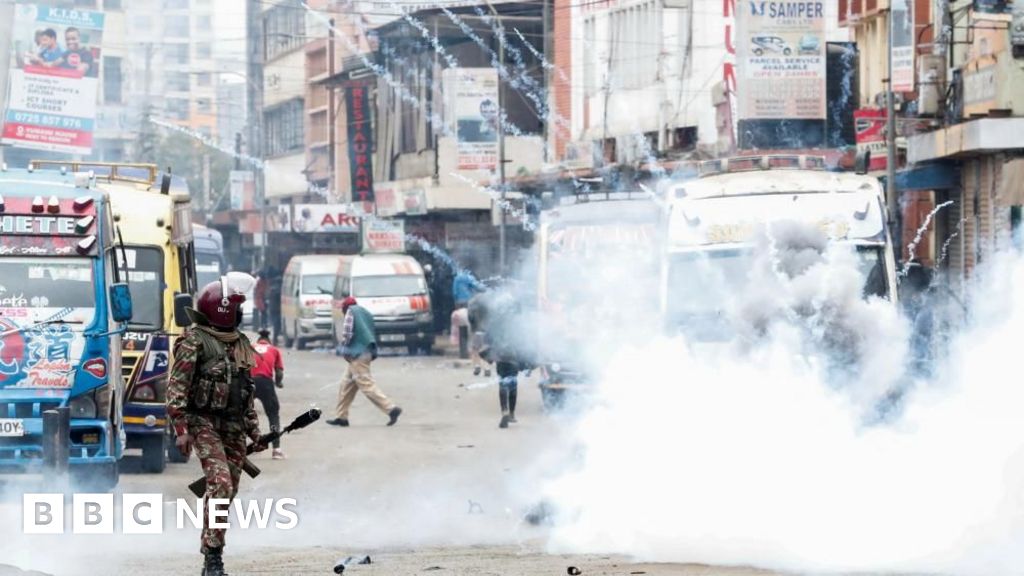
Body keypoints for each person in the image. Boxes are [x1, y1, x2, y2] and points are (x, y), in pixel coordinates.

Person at [166, 273, 265, 576]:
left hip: (233, 426)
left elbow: (246, 393)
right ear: (222, 309)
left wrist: (255, 432)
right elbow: (177, 390)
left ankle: (213, 544)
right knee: (220, 485)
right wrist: (181, 431)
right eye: (236, 307)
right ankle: (212, 557)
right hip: (203, 422)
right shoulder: (194, 342)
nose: (240, 313)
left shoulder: (241, 344)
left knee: (227, 490)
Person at [326, 296, 402, 427]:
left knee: (366, 385)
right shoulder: (365, 312)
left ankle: (391, 409)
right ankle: (341, 417)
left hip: (357, 355)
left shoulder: (350, 311)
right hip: (366, 351)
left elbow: (347, 333)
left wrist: (344, 347)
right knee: (346, 385)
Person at [251, 328, 285, 460]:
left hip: (250, 382)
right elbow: (280, 372)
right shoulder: (274, 350)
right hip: (266, 383)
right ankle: (276, 450)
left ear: (258, 340)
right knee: (273, 414)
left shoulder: (250, 347)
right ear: (269, 340)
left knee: (242, 414)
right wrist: (278, 383)